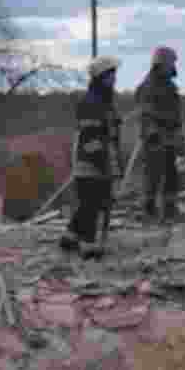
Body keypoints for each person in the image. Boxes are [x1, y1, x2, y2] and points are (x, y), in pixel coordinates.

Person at [60, 55, 124, 259]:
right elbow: (90, 137)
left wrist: (113, 122)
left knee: (90, 202)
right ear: (101, 76)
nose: (114, 78)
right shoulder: (92, 101)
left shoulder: (103, 100)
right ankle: (87, 245)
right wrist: (102, 164)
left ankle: (70, 237)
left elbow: (106, 128)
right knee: (92, 203)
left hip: (100, 159)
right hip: (91, 161)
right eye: (111, 74)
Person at [135, 46, 185, 222]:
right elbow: (146, 113)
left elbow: (175, 113)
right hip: (155, 138)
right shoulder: (148, 87)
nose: (173, 66)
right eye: (171, 62)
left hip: (169, 136)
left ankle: (170, 210)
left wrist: (178, 135)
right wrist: (154, 134)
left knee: (171, 174)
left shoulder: (169, 86)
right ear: (162, 63)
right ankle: (149, 211)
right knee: (153, 175)